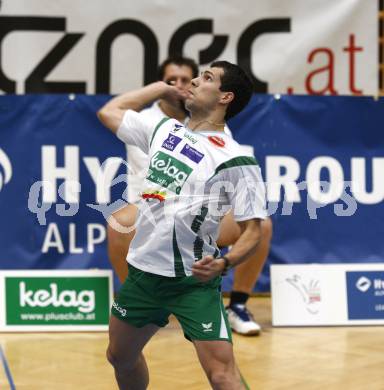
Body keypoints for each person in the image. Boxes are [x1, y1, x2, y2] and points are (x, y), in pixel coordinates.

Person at [98, 60, 267, 389]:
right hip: (143, 274)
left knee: (222, 374)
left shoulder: (237, 159)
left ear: (225, 97)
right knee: (119, 356)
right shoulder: (163, 130)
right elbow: (109, 111)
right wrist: (160, 88)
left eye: (206, 78)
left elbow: (254, 231)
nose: (193, 82)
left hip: (193, 281)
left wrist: (225, 262)